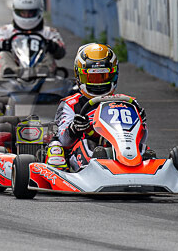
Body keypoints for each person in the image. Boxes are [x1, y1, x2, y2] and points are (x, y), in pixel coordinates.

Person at [54, 43, 147, 171]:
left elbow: (141, 138)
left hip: (122, 148)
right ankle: (97, 165)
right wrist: (73, 129)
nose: (98, 83)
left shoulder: (128, 102)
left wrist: (141, 126)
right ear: (80, 76)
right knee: (89, 145)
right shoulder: (71, 104)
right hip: (85, 151)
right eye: (92, 77)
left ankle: (140, 162)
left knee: (144, 149)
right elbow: (63, 141)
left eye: (103, 77)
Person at [0, 0, 65, 81]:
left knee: (48, 54)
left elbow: (61, 53)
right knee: (3, 54)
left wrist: (53, 46)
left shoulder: (49, 32)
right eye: (23, 13)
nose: (26, 16)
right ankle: (9, 73)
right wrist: (0, 46)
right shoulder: (6, 31)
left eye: (30, 13)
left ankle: (43, 73)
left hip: (40, 73)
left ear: (39, 11)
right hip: (14, 71)